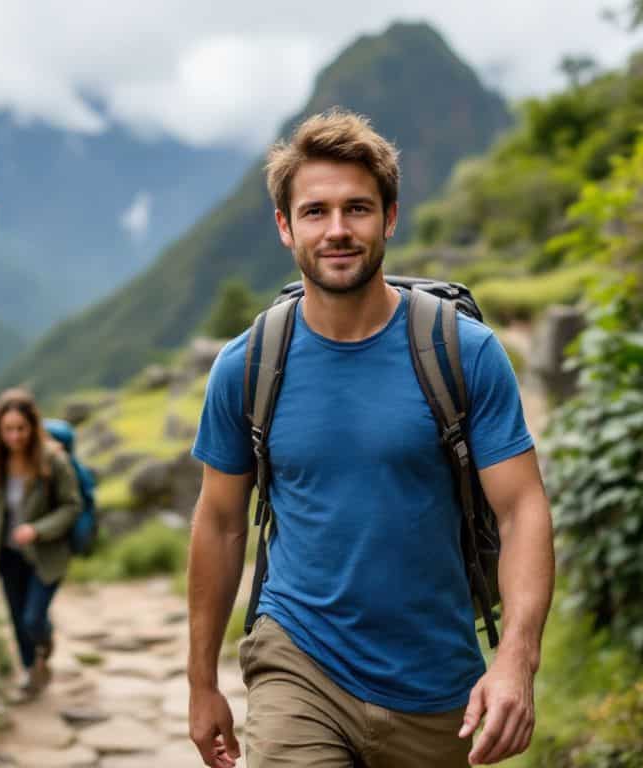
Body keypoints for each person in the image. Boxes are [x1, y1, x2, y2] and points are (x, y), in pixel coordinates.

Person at [185, 109, 556, 768]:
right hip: (297, 660)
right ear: (284, 226)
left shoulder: (463, 353)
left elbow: (522, 508)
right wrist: (201, 681)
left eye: (357, 209)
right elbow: (218, 522)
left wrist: (516, 661)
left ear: (389, 217)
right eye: (314, 211)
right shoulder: (247, 366)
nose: (336, 230)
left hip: (437, 682)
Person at [0, 387, 82, 698]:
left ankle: (44, 640)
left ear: (33, 426)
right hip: (7, 554)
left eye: (21, 428)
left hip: (46, 553)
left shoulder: (53, 460)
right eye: (8, 429)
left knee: (33, 618)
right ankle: (32, 673)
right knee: (18, 620)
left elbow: (72, 506)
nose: (15, 436)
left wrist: (38, 529)